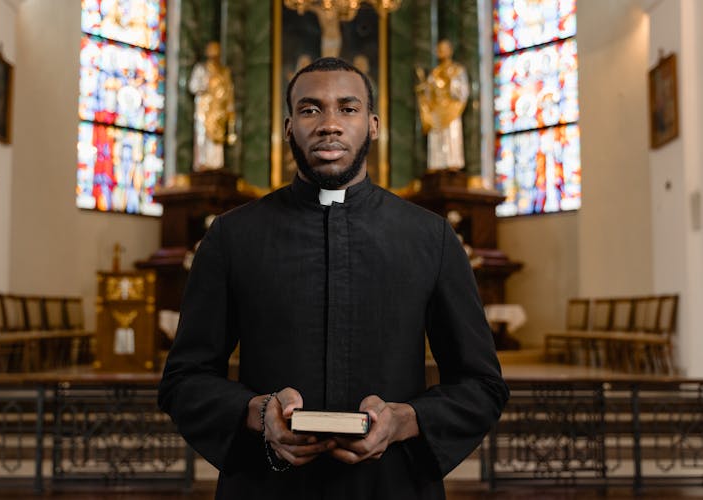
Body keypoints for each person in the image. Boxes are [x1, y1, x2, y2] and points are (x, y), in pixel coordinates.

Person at [158, 57, 508, 500]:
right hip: (268, 487)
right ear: (288, 127)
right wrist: (257, 412)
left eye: (347, 108)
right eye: (310, 109)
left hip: (392, 486)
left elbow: (482, 384)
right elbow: (183, 380)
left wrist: (405, 421)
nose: (329, 124)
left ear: (374, 125)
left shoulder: (430, 237)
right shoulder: (232, 236)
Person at [415, 39, 470, 170]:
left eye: (444, 49)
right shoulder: (434, 73)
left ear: (450, 51)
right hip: (437, 111)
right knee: (436, 137)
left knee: (452, 135)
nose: (441, 52)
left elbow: (463, 91)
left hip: (452, 109)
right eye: (439, 49)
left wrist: (451, 83)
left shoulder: (457, 70)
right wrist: (423, 91)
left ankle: (453, 164)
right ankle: (437, 164)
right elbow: (428, 93)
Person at [188, 41, 236, 171]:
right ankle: (203, 163)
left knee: (218, 138)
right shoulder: (201, 69)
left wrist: (229, 109)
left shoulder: (224, 72)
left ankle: (216, 164)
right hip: (204, 109)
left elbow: (229, 91)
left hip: (218, 110)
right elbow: (193, 86)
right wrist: (205, 83)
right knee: (203, 136)